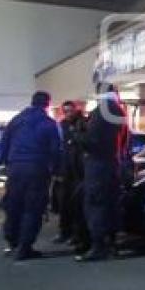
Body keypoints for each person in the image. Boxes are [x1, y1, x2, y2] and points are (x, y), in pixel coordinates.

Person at [1, 91, 61, 260]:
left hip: (15, 167)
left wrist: (7, 162)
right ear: (47, 104)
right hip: (37, 168)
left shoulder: (16, 120)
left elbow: (4, 142)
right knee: (32, 208)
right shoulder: (49, 123)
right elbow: (55, 149)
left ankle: (12, 242)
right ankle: (24, 247)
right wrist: (55, 169)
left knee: (13, 205)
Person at [75, 83, 129, 262]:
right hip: (113, 163)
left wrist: (78, 136)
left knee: (95, 204)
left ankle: (98, 246)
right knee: (110, 204)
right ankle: (112, 243)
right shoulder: (119, 111)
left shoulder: (101, 112)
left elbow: (93, 141)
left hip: (98, 164)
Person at [57, 101, 89, 252]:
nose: (68, 114)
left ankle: (76, 235)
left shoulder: (82, 123)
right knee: (64, 203)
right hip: (66, 170)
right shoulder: (62, 125)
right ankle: (64, 231)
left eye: (70, 111)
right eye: (66, 111)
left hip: (79, 171)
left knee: (77, 205)